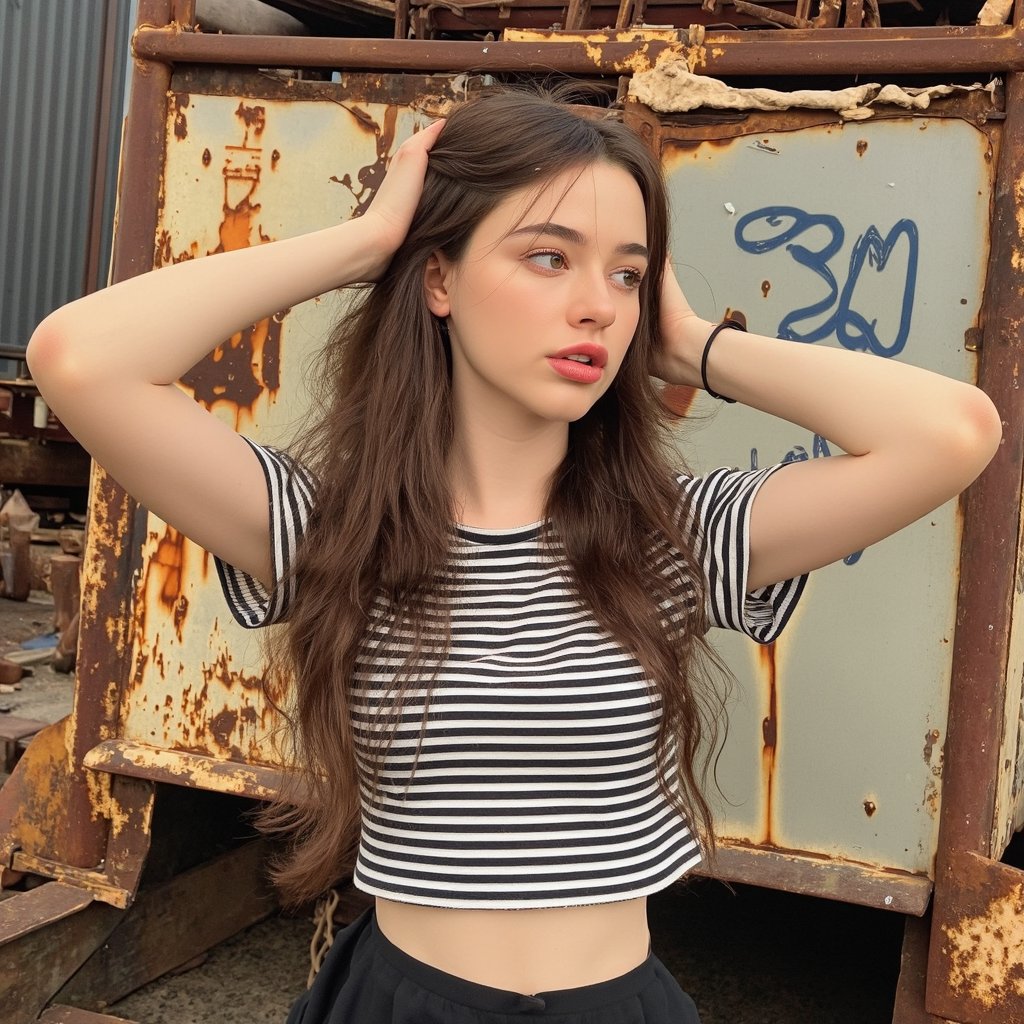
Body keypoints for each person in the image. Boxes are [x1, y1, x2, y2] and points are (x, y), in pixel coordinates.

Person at [27, 90, 1001, 1024]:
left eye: (626, 272)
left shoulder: (673, 539)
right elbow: (80, 357)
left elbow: (950, 433)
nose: (596, 305)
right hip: (399, 1002)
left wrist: (694, 342)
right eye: (548, 257)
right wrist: (364, 245)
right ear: (439, 279)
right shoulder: (334, 532)